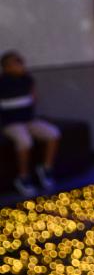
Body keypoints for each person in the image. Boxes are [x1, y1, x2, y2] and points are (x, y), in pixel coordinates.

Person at [0, 50, 60, 196]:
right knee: (25, 141)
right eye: (16, 63)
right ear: (7, 67)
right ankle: (23, 177)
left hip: (29, 120)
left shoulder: (27, 79)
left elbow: (33, 98)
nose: (21, 66)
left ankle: (46, 169)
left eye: (21, 62)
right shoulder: (2, 83)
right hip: (10, 123)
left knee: (53, 133)